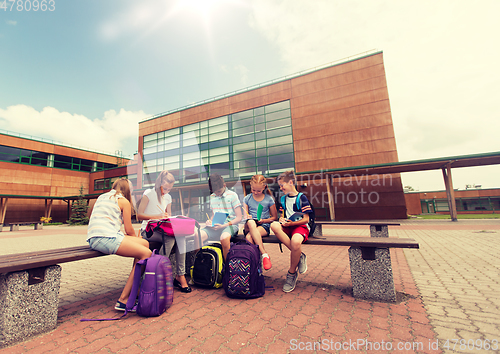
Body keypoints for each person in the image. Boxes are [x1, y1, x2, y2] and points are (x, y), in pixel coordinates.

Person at [87, 178, 152, 311]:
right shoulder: (124, 201)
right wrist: (133, 241)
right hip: (106, 238)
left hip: (95, 237)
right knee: (146, 253)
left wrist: (136, 242)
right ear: (128, 190)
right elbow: (129, 229)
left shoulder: (102, 196)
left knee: (144, 243)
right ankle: (123, 300)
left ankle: (135, 288)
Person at [137, 170, 192, 293]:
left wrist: (168, 217)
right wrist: (157, 216)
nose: (166, 192)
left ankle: (180, 275)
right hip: (148, 230)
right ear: (159, 183)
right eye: (165, 188)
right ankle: (158, 272)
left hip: (162, 229)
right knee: (170, 238)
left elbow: (168, 217)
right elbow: (138, 215)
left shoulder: (168, 197)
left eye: (169, 189)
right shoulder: (149, 193)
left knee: (180, 237)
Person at [270, 170, 312, 293]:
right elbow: (282, 215)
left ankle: (292, 273)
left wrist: (292, 223)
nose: (281, 188)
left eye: (282, 185)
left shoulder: (301, 198)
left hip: (300, 226)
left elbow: (306, 219)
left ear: (291, 182)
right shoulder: (283, 199)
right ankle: (300, 255)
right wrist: (282, 219)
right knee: (274, 225)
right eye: (280, 186)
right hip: (288, 225)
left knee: (295, 242)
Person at [200, 173, 243, 260]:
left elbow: (239, 218)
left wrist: (223, 226)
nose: (217, 194)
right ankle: (201, 264)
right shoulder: (212, 196)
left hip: (230, 225)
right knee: (198, 235)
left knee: (223, 238)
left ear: (224, 185)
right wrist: (210, 222)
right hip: (216, 227)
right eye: (214, 192)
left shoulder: (232, 195)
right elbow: (213, 215)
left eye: (218, 191)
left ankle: (226, 267)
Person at [242, 174, 277, 270]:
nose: (256, 192)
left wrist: (264, 220)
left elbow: (274, 217)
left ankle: (256, 267)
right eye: (253, 190)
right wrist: (247, 217)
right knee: (251, 222)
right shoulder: (247, 199)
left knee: (249, 237)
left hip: (263, 226)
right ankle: (264, 254)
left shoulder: (269, 199)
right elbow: (244, 216)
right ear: (250, 185)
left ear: (264, 187)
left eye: (259, 190)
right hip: (249, 226)